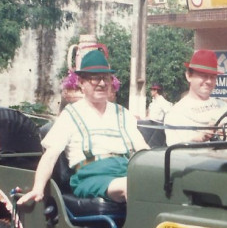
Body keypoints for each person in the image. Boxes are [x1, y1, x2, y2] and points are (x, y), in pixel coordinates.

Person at [17, 49, 149, 205]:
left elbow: (143, 150)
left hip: (126, 171)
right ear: (81, 82)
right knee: (133, 186)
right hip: (91, 176)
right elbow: (50, 155)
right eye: (95, 78)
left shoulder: (122, 113)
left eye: (106, 78)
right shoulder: (71, 115)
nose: (102, 83)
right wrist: (38, 188)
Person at [163, 49, 227, 145]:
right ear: (189, 76)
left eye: (213, 77)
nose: (209, 81)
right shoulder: (176, 113)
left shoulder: (223, 107)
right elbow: (176, 153)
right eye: (203, 76)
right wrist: (198, 138)